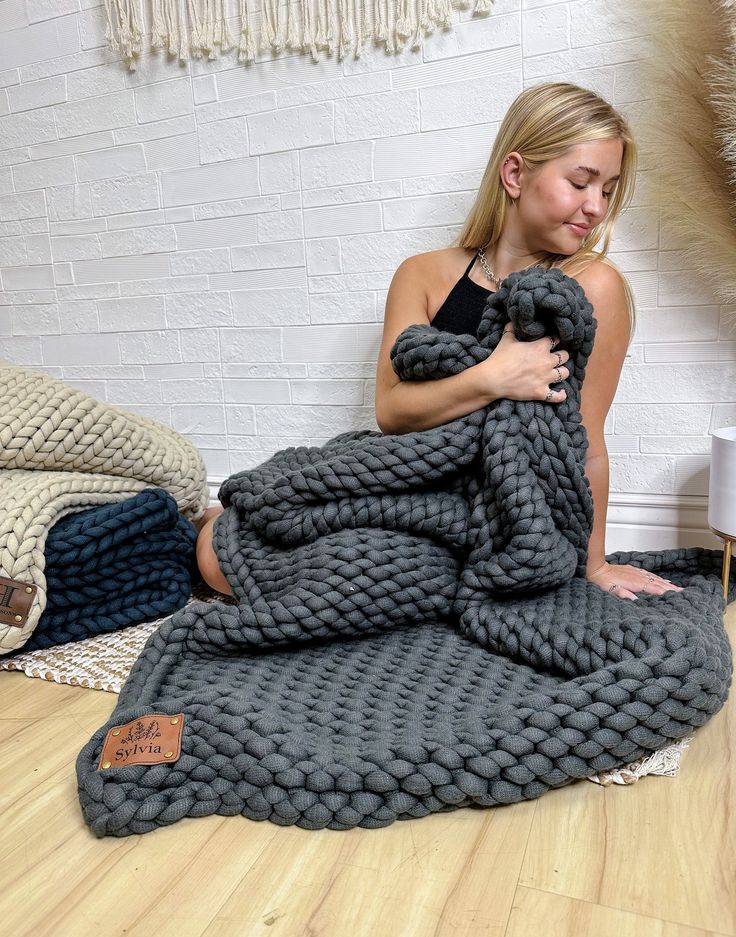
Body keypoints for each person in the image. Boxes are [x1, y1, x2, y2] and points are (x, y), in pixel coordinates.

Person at [196, 80, 684, 603]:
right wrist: (494, 375)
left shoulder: (591, 287)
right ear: (515, 174)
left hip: (498, 512)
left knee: (337, 578)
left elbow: (584, 443)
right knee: (225, 554)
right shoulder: (424, 274)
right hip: (408, 477)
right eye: (581, 182)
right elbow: (393, 411)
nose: (595, 207)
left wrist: (596, 565)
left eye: (607, 190)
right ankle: (214, 523)